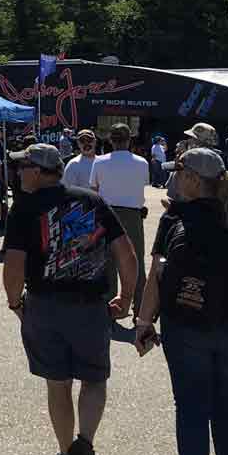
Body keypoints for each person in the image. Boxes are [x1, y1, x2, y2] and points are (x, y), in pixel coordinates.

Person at [136, 148, 228, 455]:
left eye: (179, 173)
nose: (174, 179)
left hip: (182, 325)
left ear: (193, 179)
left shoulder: (174, 218)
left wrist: (143, 323)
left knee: (190, 406)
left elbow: (156, 274)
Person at [4, 144, 137, 455]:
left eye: (23, 167)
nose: (19, 173)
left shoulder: (24, 208)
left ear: (38, 171)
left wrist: (15, 302)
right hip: (91, 306)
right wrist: (126, 295)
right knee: (94, 379)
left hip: (45, 306)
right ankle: (85, 447)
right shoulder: (91, 201)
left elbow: (14, 266)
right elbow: (126, 254)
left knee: (58, 382)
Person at [90, 123, 150, 317]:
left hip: (107, 213)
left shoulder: (99, 162)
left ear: (110, 140)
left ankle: (109, 305)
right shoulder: (142, 162)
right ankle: (140, 307)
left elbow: (94, 189)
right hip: (132, 214)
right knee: (136, 260)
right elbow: (144, 183)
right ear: (129, 140)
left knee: (107, 260)